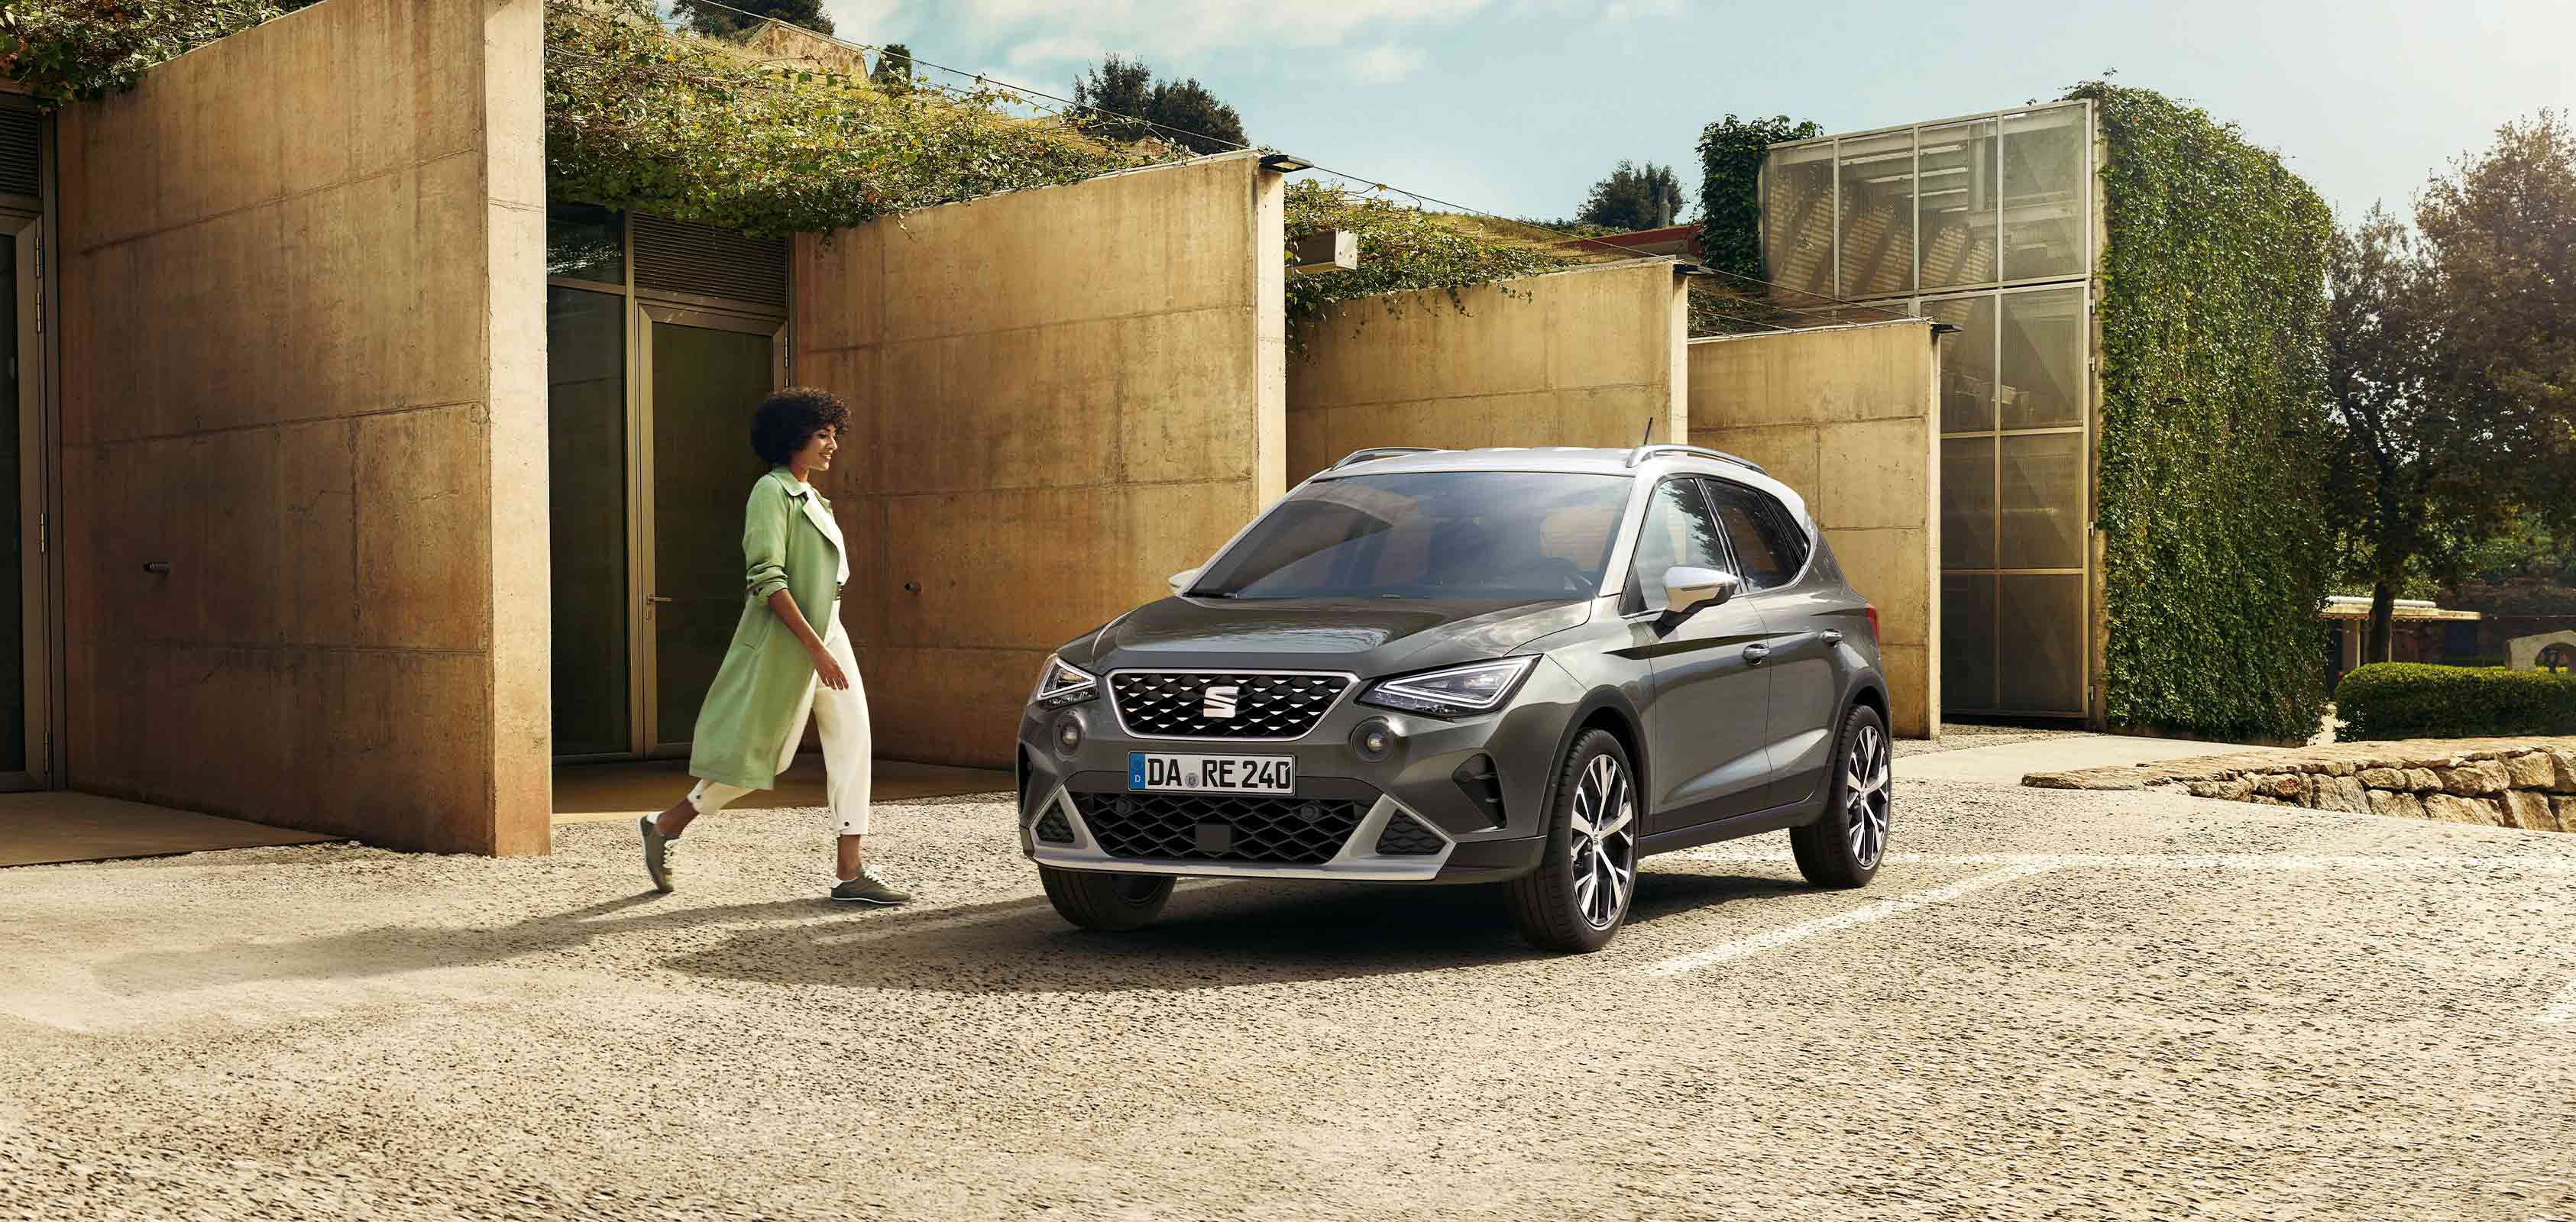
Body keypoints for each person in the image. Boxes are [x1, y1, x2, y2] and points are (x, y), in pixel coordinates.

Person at [636, 386, 909, 905]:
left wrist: (828, 641)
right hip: (796, 640)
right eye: (822, 435)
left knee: (854, 743)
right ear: (792, 438)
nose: (832, 445)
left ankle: (850, 873)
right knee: (760, 756)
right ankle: (667, 824)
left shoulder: (813, 497)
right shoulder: (771, 491)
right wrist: (815, 648)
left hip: (829, 630)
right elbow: (766, 579)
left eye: (834, 435)